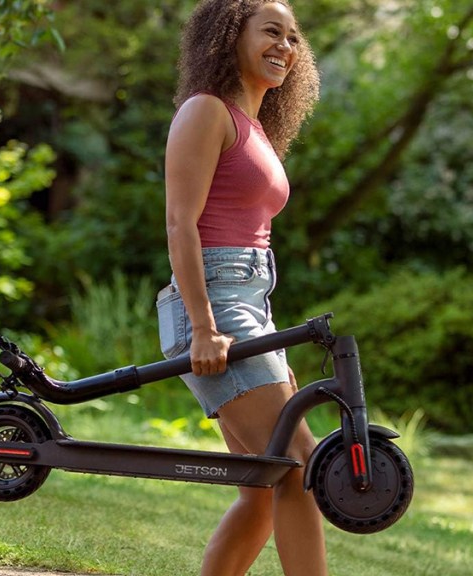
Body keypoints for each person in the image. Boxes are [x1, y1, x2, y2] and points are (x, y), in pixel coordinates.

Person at [155, 1, 324, 574]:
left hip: (249, 305)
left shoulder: (257, 129)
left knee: (260, 493)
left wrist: (270, 346)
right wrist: (203, 326)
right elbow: (181, 224)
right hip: (213, 304)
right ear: (230, 38)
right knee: (298, 465)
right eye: (270, 32)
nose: (286, 46)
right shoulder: (206, 111)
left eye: (293, 37)